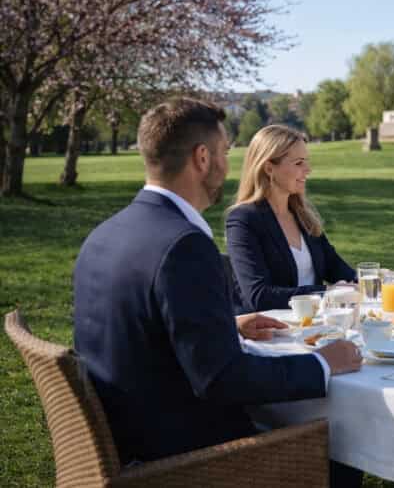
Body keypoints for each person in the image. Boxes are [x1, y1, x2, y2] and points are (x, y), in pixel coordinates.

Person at [73, 98, 362, 466]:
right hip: (180, 456)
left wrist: (229, 326)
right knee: (334, 447)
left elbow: (146, 331)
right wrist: (321, 364)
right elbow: (222, 379)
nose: (229, 165)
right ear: (202, 158)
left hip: (126, 435)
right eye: (226, 151)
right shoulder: (184, 245)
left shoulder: (103, 234)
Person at [227, 125, 356, 312]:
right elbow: (259, 296)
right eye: (299, 163)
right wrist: (326, 293)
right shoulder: (243, 220)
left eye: (306, 161)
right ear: (269, 168)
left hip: (316, 328)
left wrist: (374, 281)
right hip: (271, 334)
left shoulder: (303, 216)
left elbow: (337, 268)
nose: (308, 169)